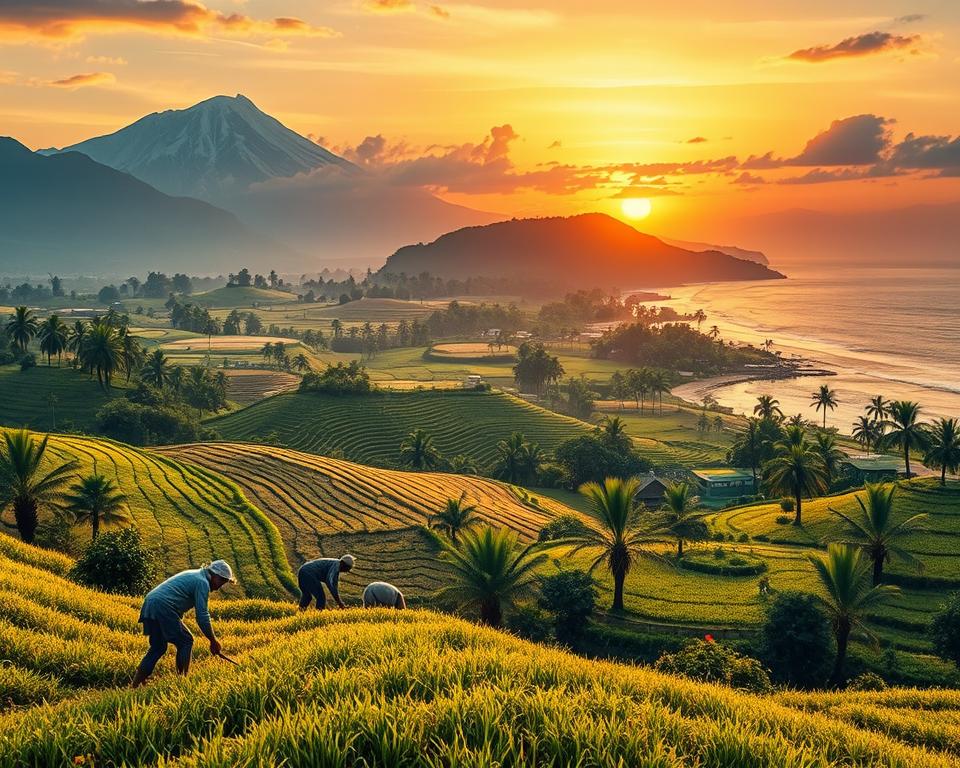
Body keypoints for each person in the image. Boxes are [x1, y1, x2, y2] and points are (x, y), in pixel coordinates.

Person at [131, 559, 235, 687]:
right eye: (222, 581)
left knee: (158, 647)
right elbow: (202, 616)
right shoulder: (202, 583)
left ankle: (135, 685)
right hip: (162, 606)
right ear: (214, 575)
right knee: (186, 641)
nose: (220, 586)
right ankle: (182, 683)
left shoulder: (196, 575)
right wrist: (213, 641)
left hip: (151, 603)